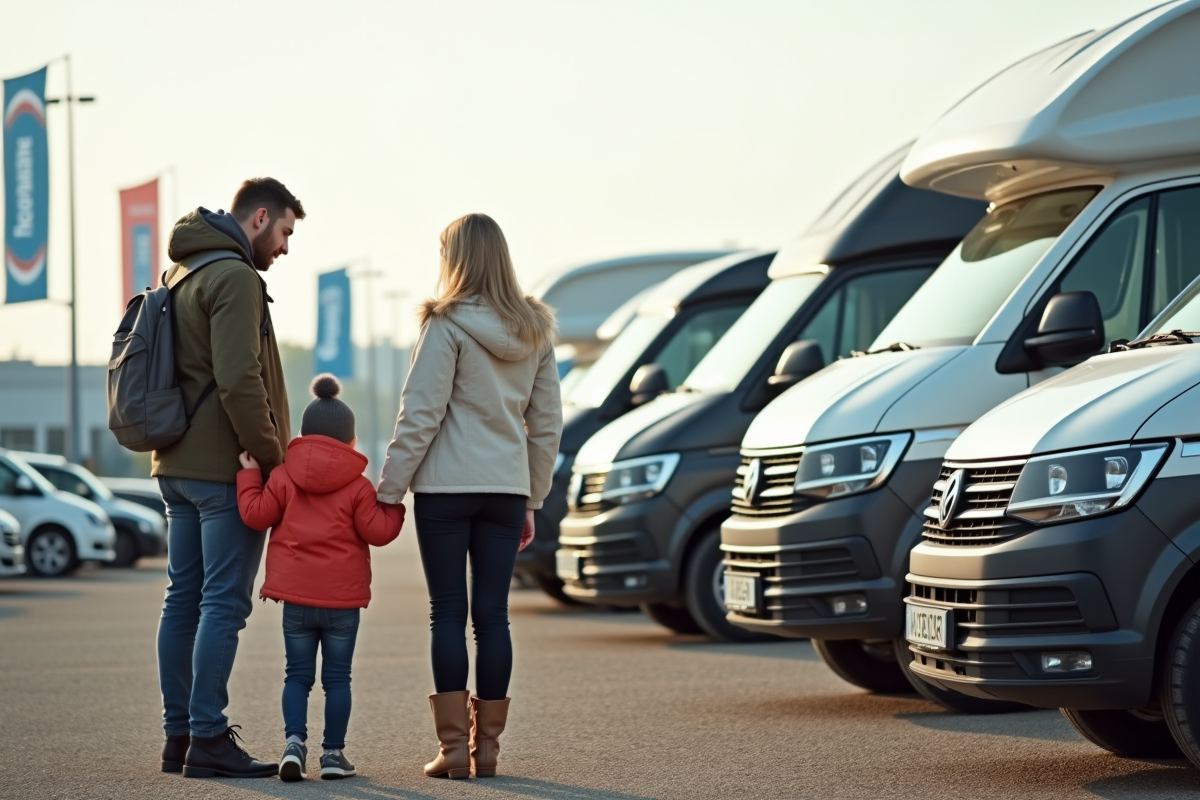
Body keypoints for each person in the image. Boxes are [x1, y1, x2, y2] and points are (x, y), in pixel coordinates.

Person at [377, 213, 562, 779]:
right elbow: (547, 423)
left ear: (455, 258)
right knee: (493, 618)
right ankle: (489, 752)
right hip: (506, 491)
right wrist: (531, 497)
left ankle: (453, 751)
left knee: (447, 614)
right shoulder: (536, 330)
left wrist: (389, 489)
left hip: (446, 490)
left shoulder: (445, 324)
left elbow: (421, 415)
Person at [154, 178, 303, 779]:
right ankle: (210, 737)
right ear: (260, 217)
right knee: (222, 603)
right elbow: (241, 380)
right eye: (286, 232)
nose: (286, 248)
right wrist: (272, 462)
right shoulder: (236, 277)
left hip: (175, 465)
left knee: (181, 601)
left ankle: (179, 737)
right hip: (223, 472)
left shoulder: (181, 273)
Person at [237, 374, 404, 782]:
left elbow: (255, 515)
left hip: (295, 599)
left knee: (296, 675)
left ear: (303, 435)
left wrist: (247, 475)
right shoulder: (359, 485)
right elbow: (379, 533)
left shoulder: (282, 476)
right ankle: (332, 755)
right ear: (350, 441)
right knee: (337, 679)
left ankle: (293, 745)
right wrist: (395, 503)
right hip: (342, 602)